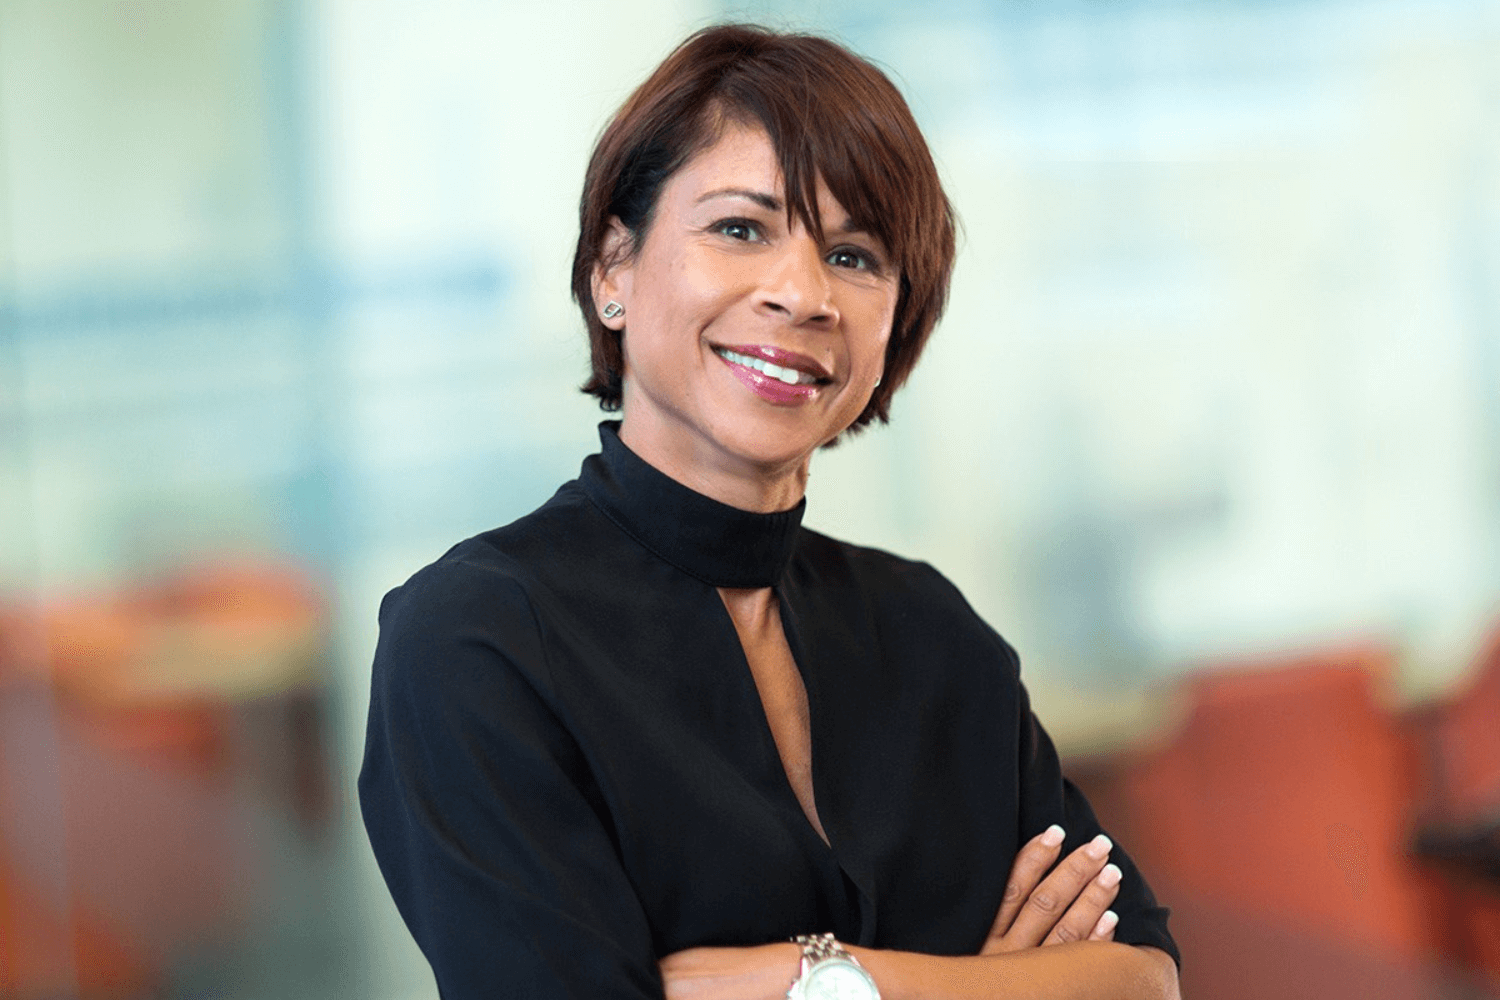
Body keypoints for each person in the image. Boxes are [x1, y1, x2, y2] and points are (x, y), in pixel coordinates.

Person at [359, 23, 1180, 1000]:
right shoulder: (476, 640)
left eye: (856, 254)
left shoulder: (931, 630)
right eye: (741, 228)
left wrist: (827, 982)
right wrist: (984, 985)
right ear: (613, 268)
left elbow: (1143, 980)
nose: (802, 294)